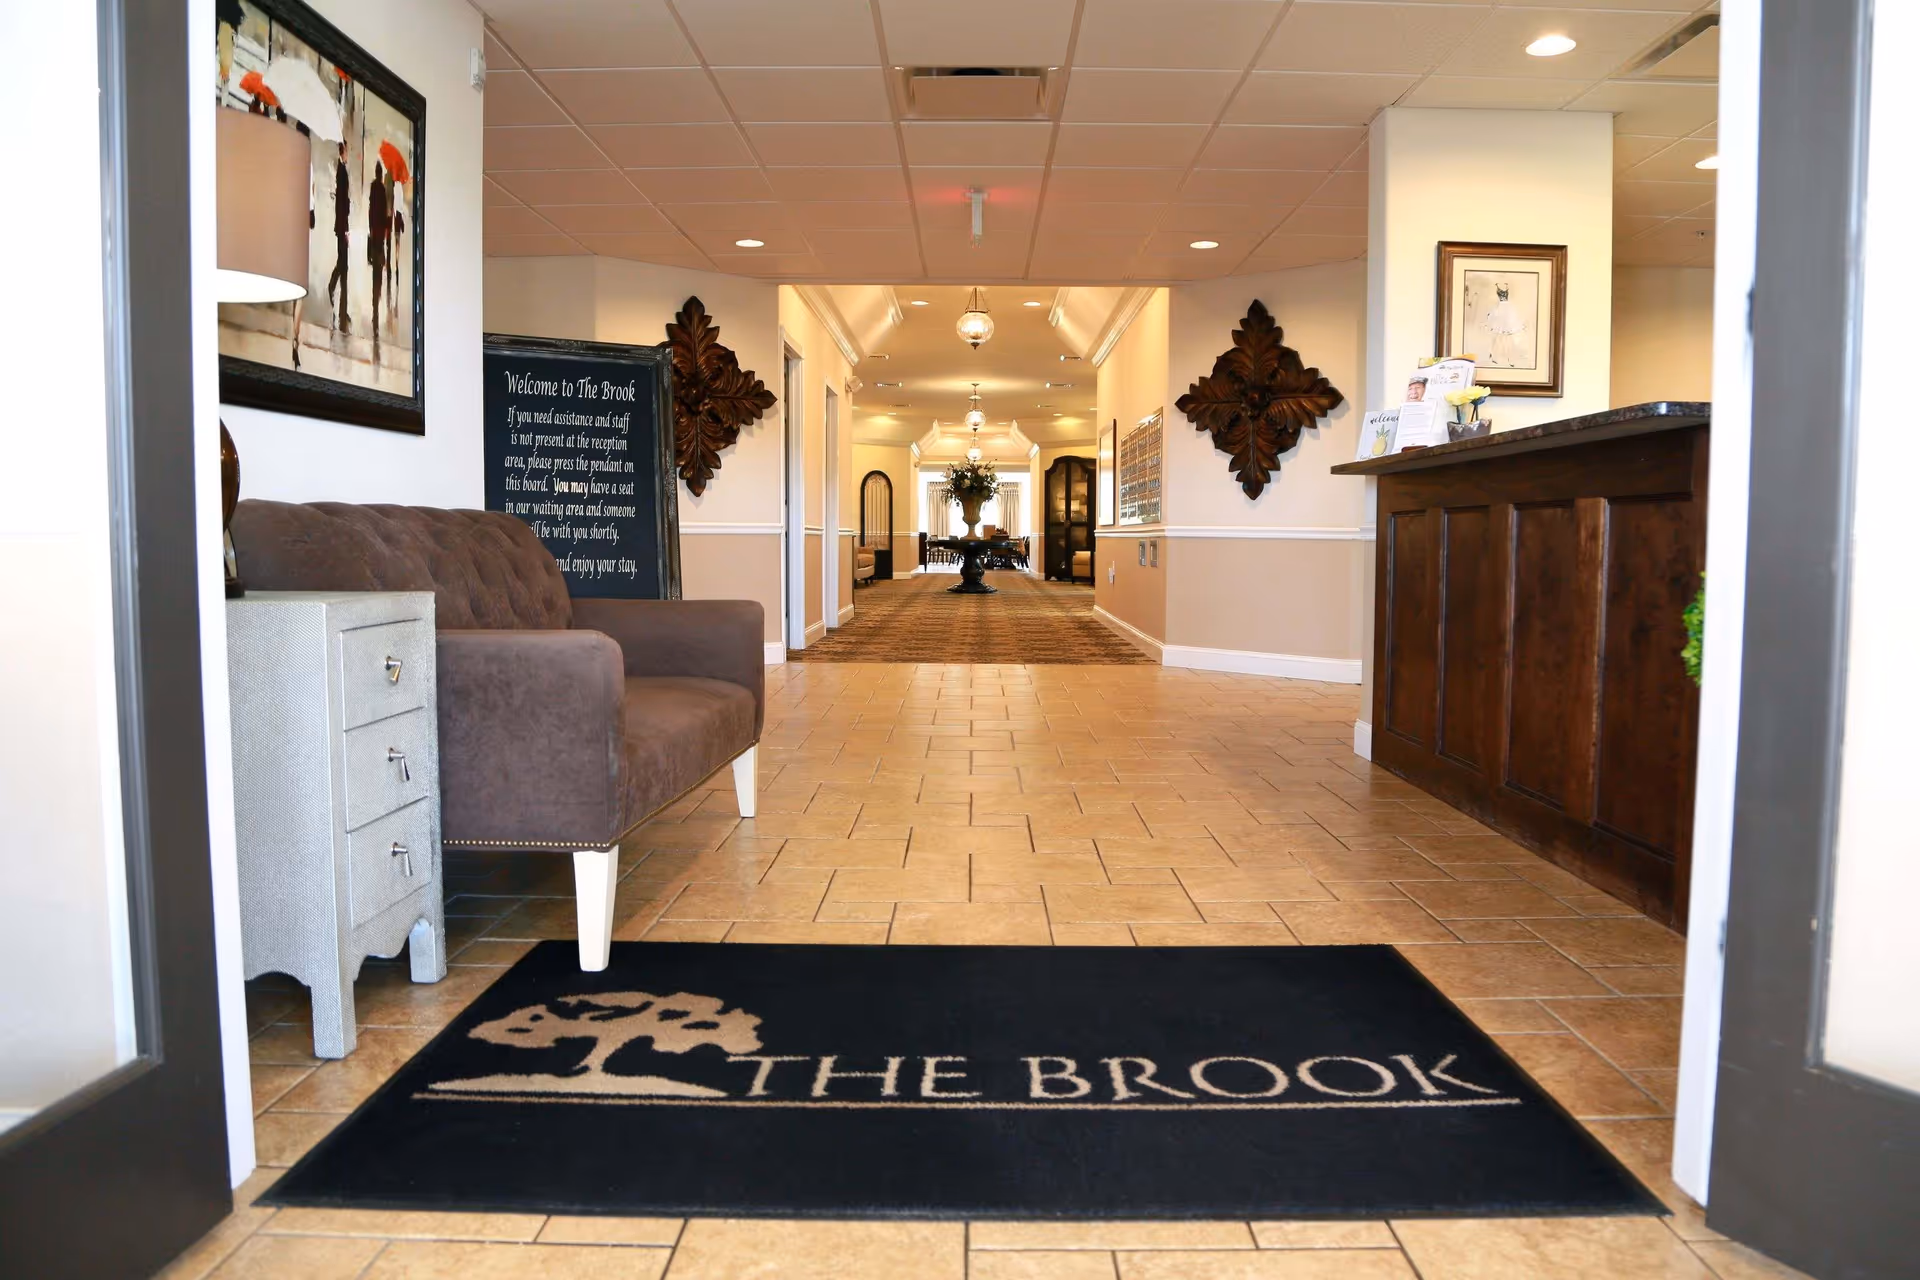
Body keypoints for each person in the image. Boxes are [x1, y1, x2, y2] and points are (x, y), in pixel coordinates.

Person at [326, 141, 350, 334]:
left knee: (343, 263)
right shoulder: (342, 173)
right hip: (342, 226)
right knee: (343, 264)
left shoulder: (342, 171)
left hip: (341, 225)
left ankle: (342, 307)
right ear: (343, 152)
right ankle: (333, 289)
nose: (348, 154)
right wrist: (345, 229)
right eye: (347, 151)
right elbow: (342, 204)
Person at [367, 160, 388, 360]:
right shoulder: (380, 188)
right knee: (379, 268)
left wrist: (370, 229)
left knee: (376, 264)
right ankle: (377, 293)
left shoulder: (374, 188)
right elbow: (381, 213)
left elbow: (371, 211)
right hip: (380, 234)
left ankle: (375, 296)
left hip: (374, 233)